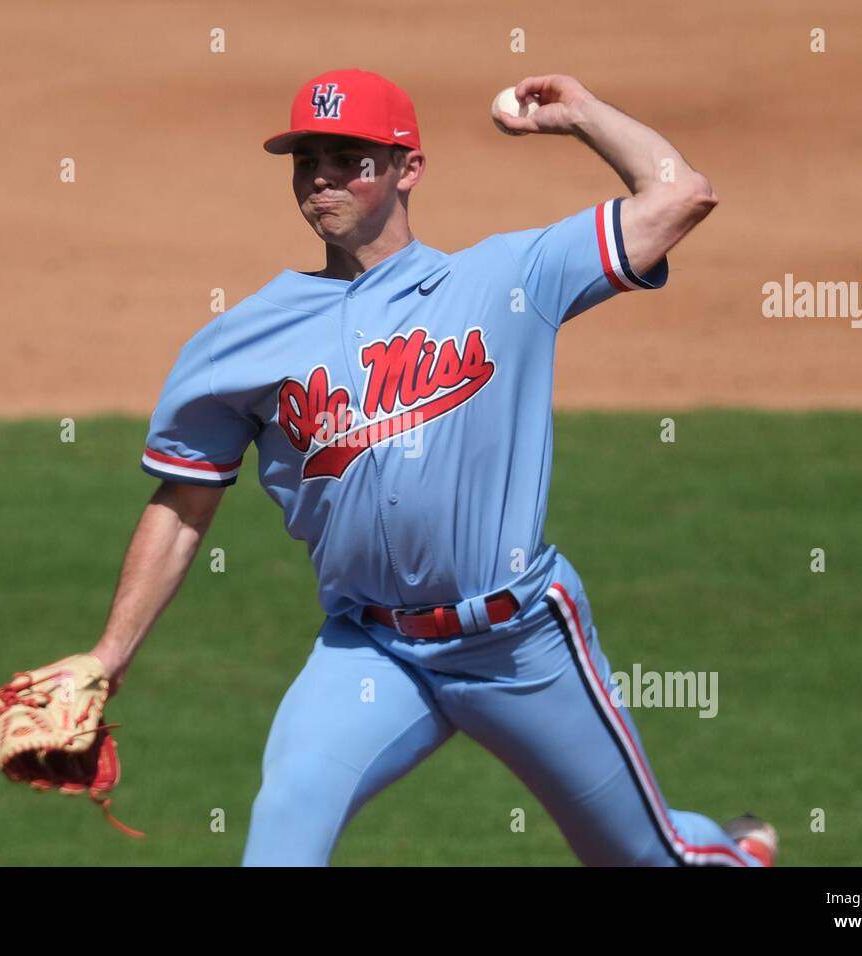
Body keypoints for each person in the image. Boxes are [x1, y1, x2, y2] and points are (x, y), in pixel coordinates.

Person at [89, 68, 778, 866]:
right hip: (371, 652)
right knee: (280, 839)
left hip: (517, 643)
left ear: (407, 168)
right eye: (306, 156)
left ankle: (733, 856)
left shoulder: (506, 280)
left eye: (350, 156)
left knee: (643, 860)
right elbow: (182, 505)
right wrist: (110, 657)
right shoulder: (237, 343)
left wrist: (583, 114)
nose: (321, 174)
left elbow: (681, 195)